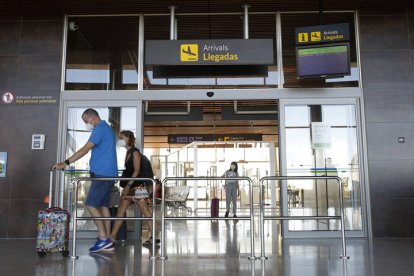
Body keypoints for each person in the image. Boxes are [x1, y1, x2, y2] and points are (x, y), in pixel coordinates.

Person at [52, 108, 117, 253]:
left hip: (102, 174)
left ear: (92, 118)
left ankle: (102, 239)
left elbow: (85, 149)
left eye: (85, 121)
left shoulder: (99, 129)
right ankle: (108, 241)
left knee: (90, 204)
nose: (85, 124)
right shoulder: (108, 129)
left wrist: (66, 163)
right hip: (109, 174)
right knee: (104, 207)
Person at [110, 130, 159, 246]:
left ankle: (154, 237)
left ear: (128, 138)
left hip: (138, 186)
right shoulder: (128, 153)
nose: (120, 140)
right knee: (122, 211)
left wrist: (126, 187)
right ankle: (111, 238)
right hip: (134, 186)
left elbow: (136, 171)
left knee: (144, 211)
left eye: (121, 138)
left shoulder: (135, 152)